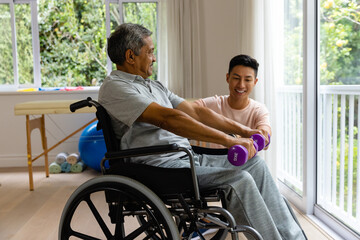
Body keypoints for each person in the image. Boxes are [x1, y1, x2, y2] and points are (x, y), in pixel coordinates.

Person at [98, 23, 307, 240]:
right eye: (150, 52)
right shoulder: (116, 87)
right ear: (131, 56)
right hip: (160, 168)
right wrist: (228, 142)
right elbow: (169, 119)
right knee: (239, 180)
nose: (154, 58)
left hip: (185, 159)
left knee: (256, 165)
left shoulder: (153, 85)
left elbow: (195, 111)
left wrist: (245, 130)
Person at [194, 54, 271, 150]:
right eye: (236, 78)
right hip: (213, 161)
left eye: (247, 80)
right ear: (227, 78)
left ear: (255, 82)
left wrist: (263, 135)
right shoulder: (214, 103)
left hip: (246, 164)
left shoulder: (259, 110)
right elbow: (186, 110)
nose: (241, 85)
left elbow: (265, 137)